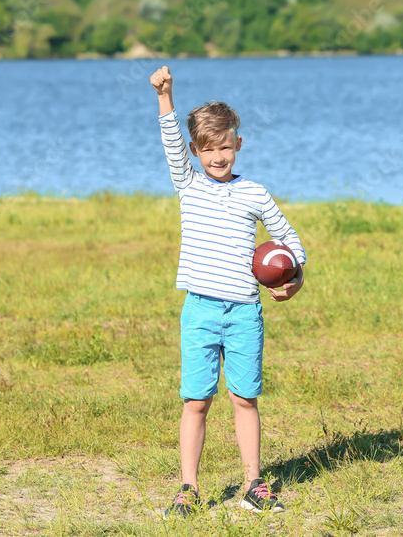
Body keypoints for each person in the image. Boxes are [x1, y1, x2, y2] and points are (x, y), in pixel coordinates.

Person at [150, 66, 306, 518]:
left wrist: (295, 278)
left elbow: (289, 241)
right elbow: (170, 143)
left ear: (238, 144)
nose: (218, 157)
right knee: (196, 400)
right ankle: (187, 488)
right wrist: (166, 95)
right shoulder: (189, 185)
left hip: (244, 313)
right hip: (199, 311)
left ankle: (254, 484)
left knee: (244, 398)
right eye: (208, 149)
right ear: (196, 151)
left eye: (225, 146)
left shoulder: (255, 194)